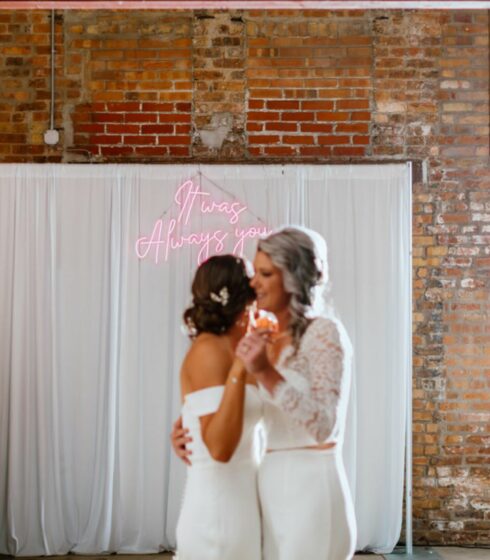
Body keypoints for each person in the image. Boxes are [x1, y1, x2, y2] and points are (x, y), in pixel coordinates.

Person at [172, 227, 356, 560]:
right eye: (255, 272)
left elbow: (325, 424)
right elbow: (233, 404)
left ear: (294, 278)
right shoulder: (264, 339)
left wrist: (264, 372)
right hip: (266, 492)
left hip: (310, 485)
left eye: (265, 273)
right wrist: (188, 426)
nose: (253, 282)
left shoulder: (324, 333)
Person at [174, 255, 262, 560]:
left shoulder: (242, 345)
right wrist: (239, 368)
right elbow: (220, 449)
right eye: (253, 279)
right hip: (219, 517)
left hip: (245, 506)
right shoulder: (209, 350)